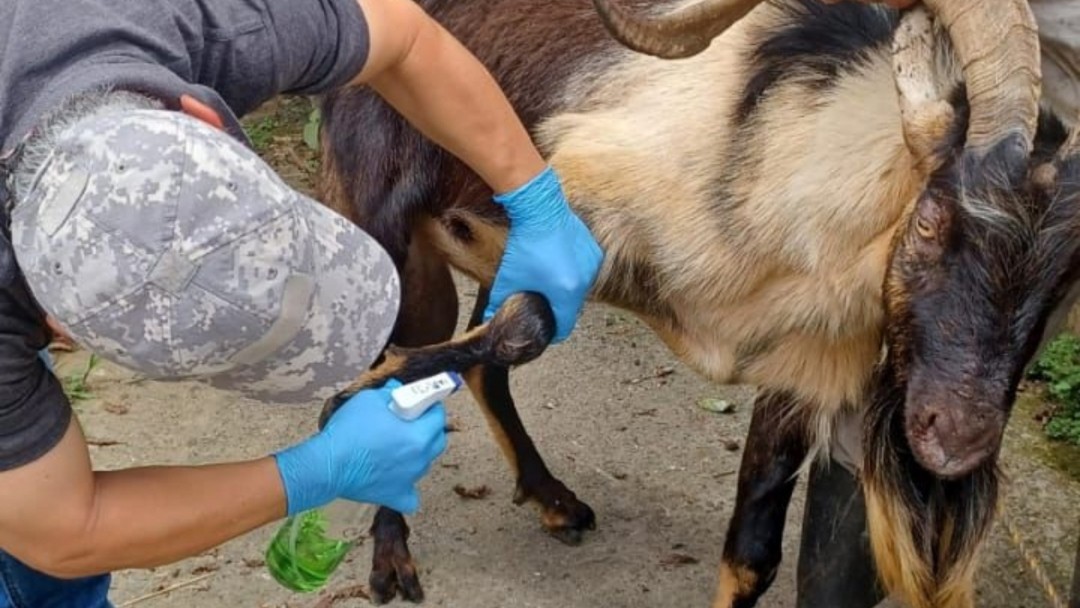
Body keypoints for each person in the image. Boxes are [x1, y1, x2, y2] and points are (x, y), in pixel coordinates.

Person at [0, 0, 604, 605]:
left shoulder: (164, 19)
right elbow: (62, 532)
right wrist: (314, 472)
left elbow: (402, 35)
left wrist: (534, 197)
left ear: (200, 116)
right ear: (59, 324)